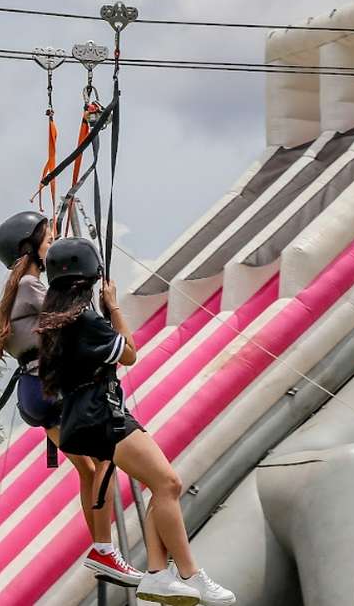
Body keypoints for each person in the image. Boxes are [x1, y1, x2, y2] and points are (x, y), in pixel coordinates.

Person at [36, 237, 236, 606]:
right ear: (91, 273)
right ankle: (190, 573)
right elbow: (129, 353)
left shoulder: (54, 322)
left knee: (159, 487)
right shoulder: (87, 319)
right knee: (168, 483)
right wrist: (113, 308)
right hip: (104, 414)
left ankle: (159, 575)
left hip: (85, 416)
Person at [0, 211, 141, 587]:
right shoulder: (32, 288)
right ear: (30, 248)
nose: (53, 248)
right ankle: (105, 550)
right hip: (50, 387)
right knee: (104, 460)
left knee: (88, 470)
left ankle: (102, 548)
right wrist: (105, 308)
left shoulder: (16, 291)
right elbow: (72, 315)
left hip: (32, 392)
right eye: (48, 241)